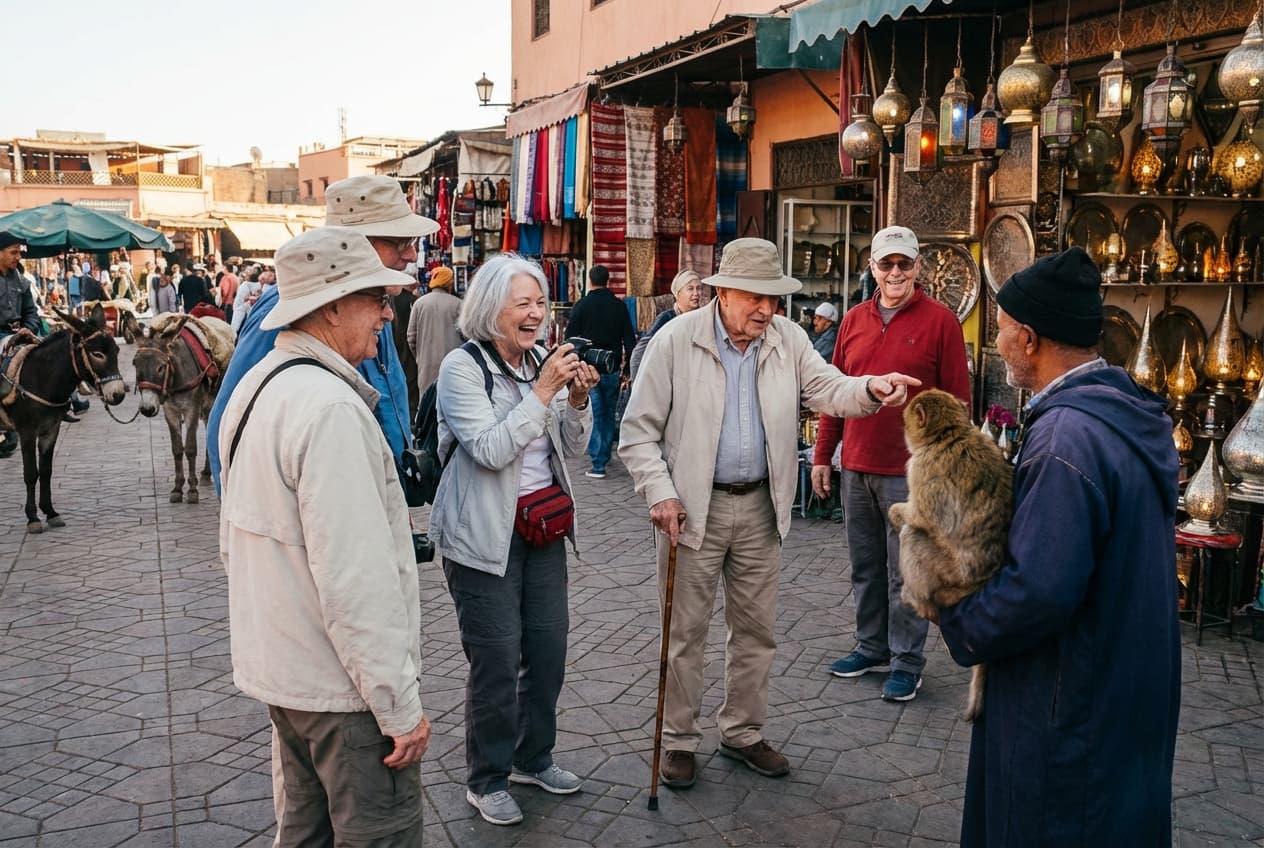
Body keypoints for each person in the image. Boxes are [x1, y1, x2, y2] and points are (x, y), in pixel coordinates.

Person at [619, 237, 919, 789]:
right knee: (684, 633)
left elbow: (827, 387)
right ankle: (680, 741)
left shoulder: (787, 339)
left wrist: (871, 389)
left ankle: (741, 731)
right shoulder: (676, 341)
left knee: (756, 633)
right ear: (723, 292)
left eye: (774, 299)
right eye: (755, 297)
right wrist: (660, 493)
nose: (766, 310)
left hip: (761, 506)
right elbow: (637, 432)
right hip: (690, 511)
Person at [937, 247, 1180, 847]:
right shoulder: (1119, 412)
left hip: (1070, 692)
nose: (997, 344)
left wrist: (959, 617)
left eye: (1000, 332)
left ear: (1029, 338)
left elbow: (1040, 588)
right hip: (1123, 675)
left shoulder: (1068, 438)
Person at [218, 227, 429, 846]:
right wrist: (397, 707)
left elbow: (234, 543)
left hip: (287, 677)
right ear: (332, 307)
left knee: (305, 835)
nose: (388, 314)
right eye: (377, 299)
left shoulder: (257, 388)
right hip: (342, 694)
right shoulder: (328, 409)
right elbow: (356, 582)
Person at [430, 253, 599, 826]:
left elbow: (571, 451)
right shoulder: (463, 368)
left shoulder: (536, 365)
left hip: (543, 531)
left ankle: (533, 757)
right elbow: (491, 450)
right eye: (522, 304)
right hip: (482, 540)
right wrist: (545, 391)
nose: (536, 315)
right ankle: (487, 777)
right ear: (489, 308)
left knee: (548, 653)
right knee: (497, 661)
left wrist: (576, 400)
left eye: (540, 304)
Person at [810, 226, 971, 703]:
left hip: (912, 473)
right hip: (857, 465)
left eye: (904, 263)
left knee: (909, 572)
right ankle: (871, 646)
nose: (895, 272)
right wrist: (823, 455)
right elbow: (831, 394)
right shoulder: (854, 321)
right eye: (887, 264)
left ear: (918, 267)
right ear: (873, 269)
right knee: (865, 566)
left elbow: (958, 401)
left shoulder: (942, 321)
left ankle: (906, 661)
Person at [207, 175, 438, 493]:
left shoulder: (373, 309)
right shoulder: (294, 307)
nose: (412, 255)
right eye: (400, 243)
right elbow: (231, 420)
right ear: (355, 245)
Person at [563, 265, 635, 479]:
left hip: (588, 368)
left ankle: (598, 464)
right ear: (608, 280)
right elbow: (629, 339)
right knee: (608, 412)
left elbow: (570, 338)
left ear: (590, 281)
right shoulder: (618, 306)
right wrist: (628, 367)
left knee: (594, 413)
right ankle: (603, 454)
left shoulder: (582, 305)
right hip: (611, 367)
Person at [0, 232, 42, 457]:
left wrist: (29, 328)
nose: (18, 257)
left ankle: (67, 400)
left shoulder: (22, 282)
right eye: (13, 252)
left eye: (19, 252)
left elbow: (32, 313)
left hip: (21, 333)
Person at [629, 269, 704, 381]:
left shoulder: (702, 318)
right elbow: (639, 352)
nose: (696, 293)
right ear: (678, 293)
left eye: (699, 288)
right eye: (690, 289)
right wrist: (638, 386)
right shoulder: (667, 318)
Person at [406, 265, 462, 400]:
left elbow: (411, 338)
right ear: (449, 283)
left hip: (426, 367)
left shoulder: (419, 304)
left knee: (427, 407)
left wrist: (420, 357)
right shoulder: (459, 304)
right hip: (453, 367)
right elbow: (467, 335)